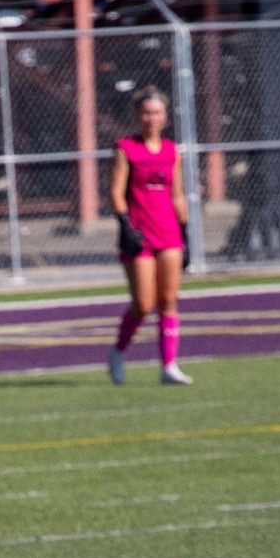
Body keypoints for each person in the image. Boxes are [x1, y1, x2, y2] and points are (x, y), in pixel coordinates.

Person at [107, 87, 193, 387]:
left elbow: (178, 193)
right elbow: (116, 191)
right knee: (143, 303)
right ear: (136, 116)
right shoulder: (126, 148)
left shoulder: (171, 151)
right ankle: (118, 351)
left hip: (168, 231)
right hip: (139, 235)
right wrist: (124, 226)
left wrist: (185, 233)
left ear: (165, 117)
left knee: (168, 299)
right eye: (145, 113)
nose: (150, 118)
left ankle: (169, 365)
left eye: (156, 113)